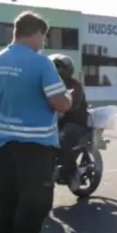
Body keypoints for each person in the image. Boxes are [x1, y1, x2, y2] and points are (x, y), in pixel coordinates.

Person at [0, 11, 71, 233]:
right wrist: (67, 98)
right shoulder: (41, 64)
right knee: (33, 206)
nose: (43, 43)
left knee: (5, 203)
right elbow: (59, 103)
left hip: (3, 144)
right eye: (43, 36)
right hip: (36, 147)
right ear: (34, 33)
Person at [51, 54, 89, 192]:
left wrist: (62, 111)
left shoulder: (74, 85)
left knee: (61, 140)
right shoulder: (50, 84)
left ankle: (73, 173)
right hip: (56, 121)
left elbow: (73, 105)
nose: (55, 70)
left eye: (58, 66)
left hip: (75, 123)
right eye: (53, 67)